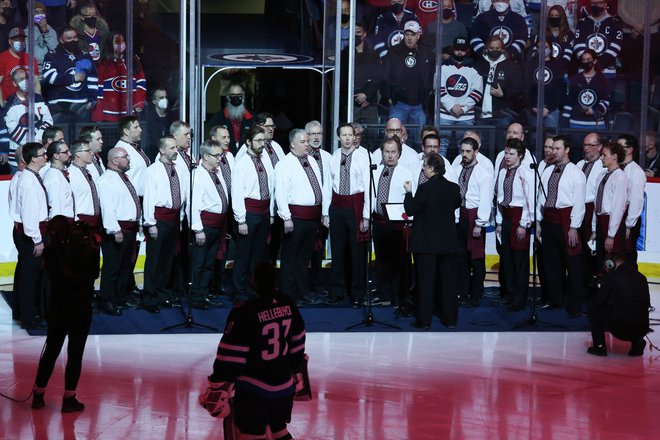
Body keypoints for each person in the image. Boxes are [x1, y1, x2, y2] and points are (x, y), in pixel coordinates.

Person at [200, 262, 306, 439]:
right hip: (284, 388)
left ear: (254, 281)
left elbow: (230, 356)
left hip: (254, 391)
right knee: (279, 429)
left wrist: (218, 384)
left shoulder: (244, 311)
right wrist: (295, 371)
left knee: (251, 434)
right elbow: (297, 343)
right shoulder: (288, 304)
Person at [31, 213, 98, 413]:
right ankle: (69, 397)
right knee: (75, 353)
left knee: (51, 349)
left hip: (59, 305)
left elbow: (49, 274)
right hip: (81, 306)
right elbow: (94, 274)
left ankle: (38, 394)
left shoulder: (52, 253)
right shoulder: (89, 251)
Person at [404, 152, 461, 329]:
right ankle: (450, 319)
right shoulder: (453, 188)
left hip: (427, 243)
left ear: (431, 168)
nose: (422, 168)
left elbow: (411, 209)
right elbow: (457, 203)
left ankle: (424, 320)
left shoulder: (424, 188)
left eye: (425, 166)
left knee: (426, 282)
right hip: (447, 243)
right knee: (448, 283)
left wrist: (408, 193)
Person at [275, 128, 330, 305]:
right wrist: (286, 217)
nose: (308, 145)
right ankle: (287, 293)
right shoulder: (284, 164)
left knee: (304, 258)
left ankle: (301, 292)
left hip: (312, 218)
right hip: (295, 217)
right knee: (291, 256)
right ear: (292, 144)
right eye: (304, 142)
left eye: (308, 141)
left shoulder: (312, 161)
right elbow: (281, 193)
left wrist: (323, 214)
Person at [536, 136, 586, 317]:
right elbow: (542, 199)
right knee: (551, 264)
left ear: (567, 150)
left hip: (566, 221)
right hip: (549, 220)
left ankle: (575, 304)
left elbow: (579, 203)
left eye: (557, 148)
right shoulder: (548, 171)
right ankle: (554, 299)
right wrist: (539, 221)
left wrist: (574, 226)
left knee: (572, 265)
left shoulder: (576, 173)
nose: (553, 151)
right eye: (552, 148)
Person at [141, 136, 188, 313]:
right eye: (171, 148)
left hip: (174, 219)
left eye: (176, 147)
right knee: (154, 259)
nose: (175, 150)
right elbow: (149, 198)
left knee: (168, 259)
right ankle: (150, 297)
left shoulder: (179, 169)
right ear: (162, 150)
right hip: (159, 219)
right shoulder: (152, 171)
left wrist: (181, 217)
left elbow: (181, 195)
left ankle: (163, 293)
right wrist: (150, 223)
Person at [97, 147, 143, 315]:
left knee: (124, 266)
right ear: (115, 160)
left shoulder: (123, 178)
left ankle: (119, 296)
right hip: (117, 229)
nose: (129, 159)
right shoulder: (106, 181)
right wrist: (115, 230)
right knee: (112, 266)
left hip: (129, 228)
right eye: (126, 157)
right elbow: (108, 208)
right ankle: (106, 298)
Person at [231, 125, 274, 301]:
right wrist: (241, 220)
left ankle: (254, 288)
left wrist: (270, 214)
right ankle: (240, 292)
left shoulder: (266, 159)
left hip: (263, 212)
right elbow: (237, 194)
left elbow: (270, 187)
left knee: (258, 255)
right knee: (243, 255)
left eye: (263, 140)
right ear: (248, 142)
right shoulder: (241, 164)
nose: (262, 144)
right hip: (248, 213)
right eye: (258, 140)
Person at [372, 137, 413, 306]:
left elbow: (410, 199)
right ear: (382, 153)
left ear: (399, 153)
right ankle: (384, 293)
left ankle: (398, 295)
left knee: (398, 261)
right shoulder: (374, 171)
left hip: (397, 224)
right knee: (382, 260)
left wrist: (407, 221)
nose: (390, 155)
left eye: (393, 152)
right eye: (387, 152)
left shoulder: (406, 173)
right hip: (379, 222)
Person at [453, 137, 493, 307]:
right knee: (460, 257)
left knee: (476, 259)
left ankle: (476, 295)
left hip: (474, 217)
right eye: (462, 151)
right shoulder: (455, 170)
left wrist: (479, 223)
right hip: (459, 215)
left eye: (468, 151)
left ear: (476, 152)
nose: (465, 154)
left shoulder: (484, 173)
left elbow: (486, 199)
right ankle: (462, 292)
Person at [190, 140, 230, 310]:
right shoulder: (198, 175)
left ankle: (204, 293)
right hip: (205, 225)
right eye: (217, 155)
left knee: (209, 262)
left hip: (218, 224)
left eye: (221, 154)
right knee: (199, 262)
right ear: (206, 157)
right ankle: (196, 296)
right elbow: (194, 205)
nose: (220, 158)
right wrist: (198, 229)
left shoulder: (217, 171)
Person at [495, 138, 534, 311]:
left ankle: (519, 299)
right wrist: (499, 221)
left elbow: (529, 200)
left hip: (519, 217)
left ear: (520, 156)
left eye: (511, 154)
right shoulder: (503, 171)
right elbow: (499, 198)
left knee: (520, 261)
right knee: (507, 260)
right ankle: (509, 295)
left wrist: (524, 224)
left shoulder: (525, 172)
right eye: (506, 153)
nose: (507, 156)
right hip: (506, 217)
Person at [14, 142, 50, 330]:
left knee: (32, 276)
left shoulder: (31, 177)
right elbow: (29, 214)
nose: (46, 156)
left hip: (35, 232)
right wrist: (37, 240)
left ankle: (28, 313)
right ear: (34, 158)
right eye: (43, 154)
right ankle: (28, 316)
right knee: (30, 277)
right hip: (33, 235)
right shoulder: (28, 181)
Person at [587, 253, 650, 357]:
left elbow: (598, 301)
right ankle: (637, 343)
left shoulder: (612, 276)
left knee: (593, 307)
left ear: (610, 264)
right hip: (642, 329)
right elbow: (646, 304)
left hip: (622, 330)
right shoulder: (641, 277)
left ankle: (599, 347)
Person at [383, 20, 435, 128]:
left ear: (418, 36)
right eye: (407, 34)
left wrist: (427, 95)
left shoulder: (427, 53)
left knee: (418, 139)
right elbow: (385, 74)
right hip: (398, 103)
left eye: (413, 34)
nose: (409, 38)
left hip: (419, 104)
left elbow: (432, 75)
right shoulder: (394, 51)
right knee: (395, 136)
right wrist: (388, 96)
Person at [42, 27, 98, 124]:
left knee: (82, 137)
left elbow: (93, 78)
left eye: (75, 37)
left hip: (81, 104)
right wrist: (72, 78)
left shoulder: (85, 55)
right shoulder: (52, 55)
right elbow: (49, 77)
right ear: (61, 40)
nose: (73, 40)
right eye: (69, 38)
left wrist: (92, 99)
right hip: (58, 104)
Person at [439, 37, 484, 157]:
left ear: (467, 51)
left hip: (466, 116)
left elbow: (477, 92)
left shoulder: (474, 68)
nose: (460, 53)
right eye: (457, 49)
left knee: (465, 147)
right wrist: (451, 106)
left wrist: (463, 109)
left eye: (462, 50)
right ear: (453, 49)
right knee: (442, 146)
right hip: (445, 114)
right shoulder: (443, 66)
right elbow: (438, 88)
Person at [3, 68, 53, 174]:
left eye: (27, 78)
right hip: (18, 156)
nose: (25, 81)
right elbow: (11, 127)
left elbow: (48, 120)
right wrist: (30, 143)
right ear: (14, 83)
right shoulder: (10, 103)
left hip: (39, 154)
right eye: (21, 79)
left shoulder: (39, 99)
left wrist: (38, 138)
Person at [91, 32, 147, 122]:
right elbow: (98, 88)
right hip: (108, 116)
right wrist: (98, 113)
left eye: (122, 41)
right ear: (110, 44)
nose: (120, 44)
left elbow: (141, 83)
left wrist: (139, 103)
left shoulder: (133, 61)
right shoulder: (103, 63)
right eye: (117, 42)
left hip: (130, 114)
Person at [576, 132, 606, 291]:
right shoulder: (579, 164)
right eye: (585, 145)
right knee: (577, 253)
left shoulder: (602, 167)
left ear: (599, 147)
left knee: (591, 253)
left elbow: (598, 198)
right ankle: (580, 286)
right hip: (577, 211)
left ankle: (593, 288)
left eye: (590, 145)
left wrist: (594, 228)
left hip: (591, 213)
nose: (586, 148)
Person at [590, 141, 627, 271]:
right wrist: (594, 228)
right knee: (601, 261)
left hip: (611, 223)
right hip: (601, 221)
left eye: (604, 155)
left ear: (614, 157)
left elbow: (618, 208)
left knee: (611, 261)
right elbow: (597, 202)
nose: (601, 158)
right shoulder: (602, 174)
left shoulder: (620, 177)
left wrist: (611, 235)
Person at [305, 120, 332, 297]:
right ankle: (302, 285)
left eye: (319, 134)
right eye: (312, 134)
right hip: (305, 213)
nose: (316, 137)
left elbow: (330, 186)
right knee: (304, 249)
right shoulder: (301, 157)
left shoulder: (328, 157)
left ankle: (316, 282)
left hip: (324, 213)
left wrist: (326, 212)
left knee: (319, 250)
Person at [474, 36, 524, 127]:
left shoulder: (511, 66)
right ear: (487, 48)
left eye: (497, 48)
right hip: (480, 115)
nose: (494, 50)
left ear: (502, 49)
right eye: (492, 48)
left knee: (500, 140)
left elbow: (518, 90)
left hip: (502, 114)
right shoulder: (479, 65)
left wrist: (503, 94)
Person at [339, 22, 384, 124]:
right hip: (350, 105)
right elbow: (341, 79)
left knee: (371, 136)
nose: (355, 36)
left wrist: (366, 95)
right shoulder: (344, 55)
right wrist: (355, 97)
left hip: (369, 104)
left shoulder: (373, 55)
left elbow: (377, 78)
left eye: (358, 32)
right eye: (353, 33)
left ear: (364, 34)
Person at [209, 124, 235, 296]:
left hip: (230, 207)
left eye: (228, 137)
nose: (227, 140)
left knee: (225, 247)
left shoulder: (230, 156)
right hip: (215, 210)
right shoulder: (207, 160)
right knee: (213, 249)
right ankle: (209, 285)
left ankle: (219, 283)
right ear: (213, 139)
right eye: (223, 137)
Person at [562, 49, 611, 130]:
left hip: (595, 125)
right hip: (575, 123)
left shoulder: (602, 80)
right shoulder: (575, 79)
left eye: (588, 60)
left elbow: (605, 101)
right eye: (583, 60)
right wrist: (565, 121)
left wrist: (594, 111)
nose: (585, 62)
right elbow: (569, 101)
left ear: (594, 61)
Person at [617, 134, 646, 268]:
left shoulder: (636, 172)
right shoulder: (617, 168)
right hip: (617, 217)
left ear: (629, 150)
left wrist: (629, 225)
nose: (616, 149)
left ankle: (631, 284)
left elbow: (636, 200)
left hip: (628, 219)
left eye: (619, 146)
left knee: (627, 255)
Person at [573, 0, 623, 79]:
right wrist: (588, 62)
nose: (596, 5)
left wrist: (598, 64)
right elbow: (578, 45)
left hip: (607, 71)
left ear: (605, 4)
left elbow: (616, 46)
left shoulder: (615, 23)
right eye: (593, 3)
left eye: (599, 2)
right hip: (585, 70)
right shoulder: (582, 23)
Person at [524, 39, 566, 130]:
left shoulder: (557, 65)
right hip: (533, 109)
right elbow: (527, 87)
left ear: (550, 49)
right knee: (534, 139)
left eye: (545, 47)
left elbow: (560, 89)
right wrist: (532, 107)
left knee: (551, 137)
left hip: (552, 109)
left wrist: (550, 108)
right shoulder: (531, 65)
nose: (542, 50)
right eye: (539, 47)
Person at [0, 27, 41, 107]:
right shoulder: (2, 58)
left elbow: (36, 83)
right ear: (10, 41)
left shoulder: (31, 58)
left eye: (22, 39)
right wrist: (1, 104)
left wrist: (39, 102)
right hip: (9, 103)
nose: (20, 42)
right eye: (16, 40)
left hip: (28, 103)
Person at [209, 83, 254, 155]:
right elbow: (214, 143)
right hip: (223, 158)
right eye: (233, 95)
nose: (236, 98)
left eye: (239, 95)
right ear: (227, 97)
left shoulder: (253, 119)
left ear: (244, 97)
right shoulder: (217, 118)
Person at [115, 116, 149, 197]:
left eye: (139, 127)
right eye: (136, 127)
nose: (140, 130)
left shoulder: (135, 147)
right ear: (126, 131)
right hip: (134, 198)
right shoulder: (120, 151)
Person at [42, 140, 74, 220]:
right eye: (66, 152)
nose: (70, 154)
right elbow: (56, 210)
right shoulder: (54, 178)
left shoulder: (59, 174)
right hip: (62, 224)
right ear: (56, 155)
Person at [142, 87, 174, 161]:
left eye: (165, 97)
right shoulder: (148, 118)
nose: (164, 100)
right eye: (161, 97)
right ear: (154, 101)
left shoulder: (172, 116)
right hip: (153, 156)